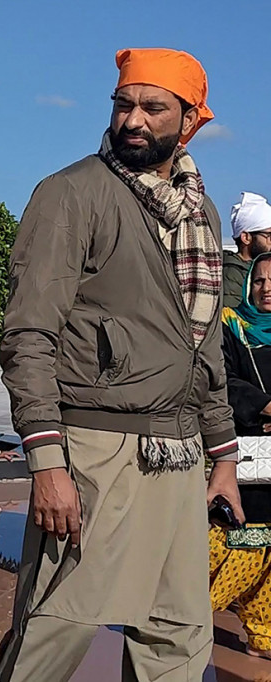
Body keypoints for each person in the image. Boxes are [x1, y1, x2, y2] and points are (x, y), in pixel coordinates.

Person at [0, 48, 243, 682]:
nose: (133, 120)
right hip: (97, 451)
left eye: (153, 107)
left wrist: (223, 458)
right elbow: (28, 336)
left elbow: (202, 347)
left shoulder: (200, 213)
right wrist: (47, 461)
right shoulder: (70, 195)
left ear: (188, 121)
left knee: (179, 638)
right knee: (58, 626)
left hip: (182, 457)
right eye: (123, 104)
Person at [211, 251, 271, 660]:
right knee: (244, 543)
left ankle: (262, 637)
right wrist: (265, 407)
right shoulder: (231, 327)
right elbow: (222, 381)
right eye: (260, 281)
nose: (266, 289)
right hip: (248, 459)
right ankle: (183, 618)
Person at [224, 192, 271, 304]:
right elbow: (232, 318)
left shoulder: (256, 269)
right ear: (246, 238)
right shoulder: (232, 275)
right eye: (269, 236)